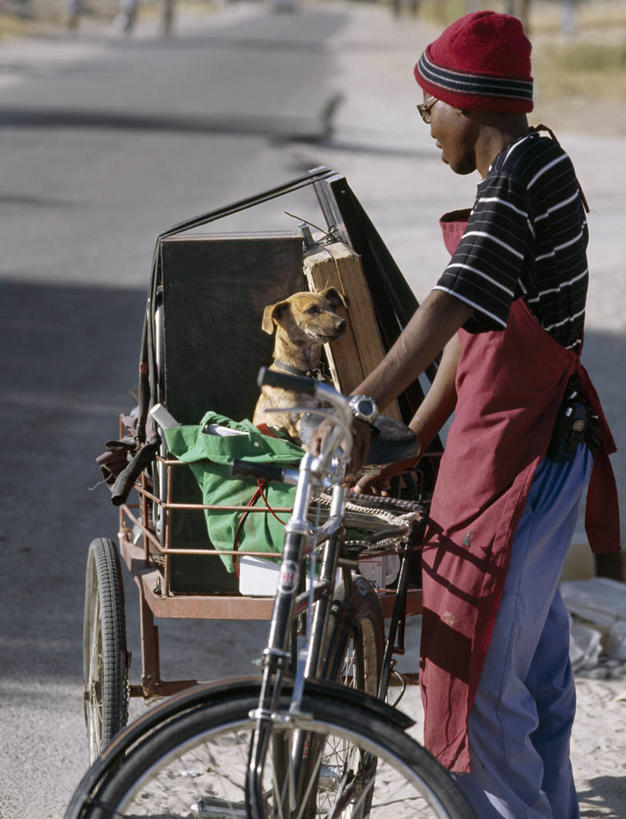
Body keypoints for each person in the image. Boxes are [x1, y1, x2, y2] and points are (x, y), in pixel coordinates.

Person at [310, 10, 620, 818]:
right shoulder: (529, 165)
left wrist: (360, 402)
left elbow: (452, 301)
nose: (424, 120)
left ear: (466, 101)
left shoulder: (519, 174)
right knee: (538, 668)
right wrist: (414, 435)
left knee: (482, 687)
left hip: (525, 467)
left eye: (427, 104)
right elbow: (477, 327)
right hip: (533, 451)